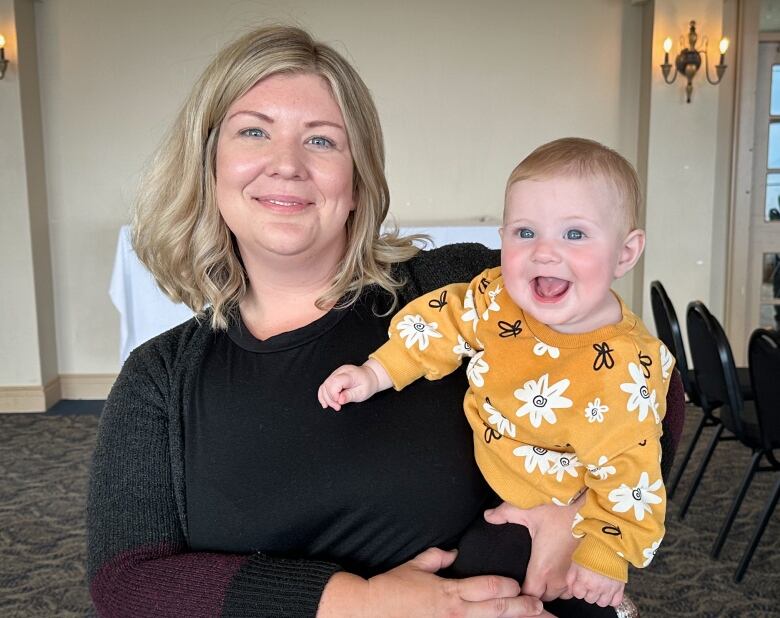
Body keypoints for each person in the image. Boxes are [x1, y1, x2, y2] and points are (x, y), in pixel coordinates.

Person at [87, 26, 685, 617]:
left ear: (357, 179)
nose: (287, 165)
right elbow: (126, 582)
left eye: (322, 141)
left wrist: (578, 511)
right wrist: (361, 603)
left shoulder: (459, 289)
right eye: (253, 132)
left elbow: (648, 383)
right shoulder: (161, 376)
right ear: (209, 165)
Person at [319, 138, 674, 610]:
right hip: (496, 482)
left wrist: (606, 552)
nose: (545, 253)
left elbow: (633, 473)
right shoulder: (496, 300)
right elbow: (441, 324)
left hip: (565, 503)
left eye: (575, 234)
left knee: (561, 593)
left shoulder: (622, 372)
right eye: (525, 233)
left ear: (626, 253)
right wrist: (376, 372)